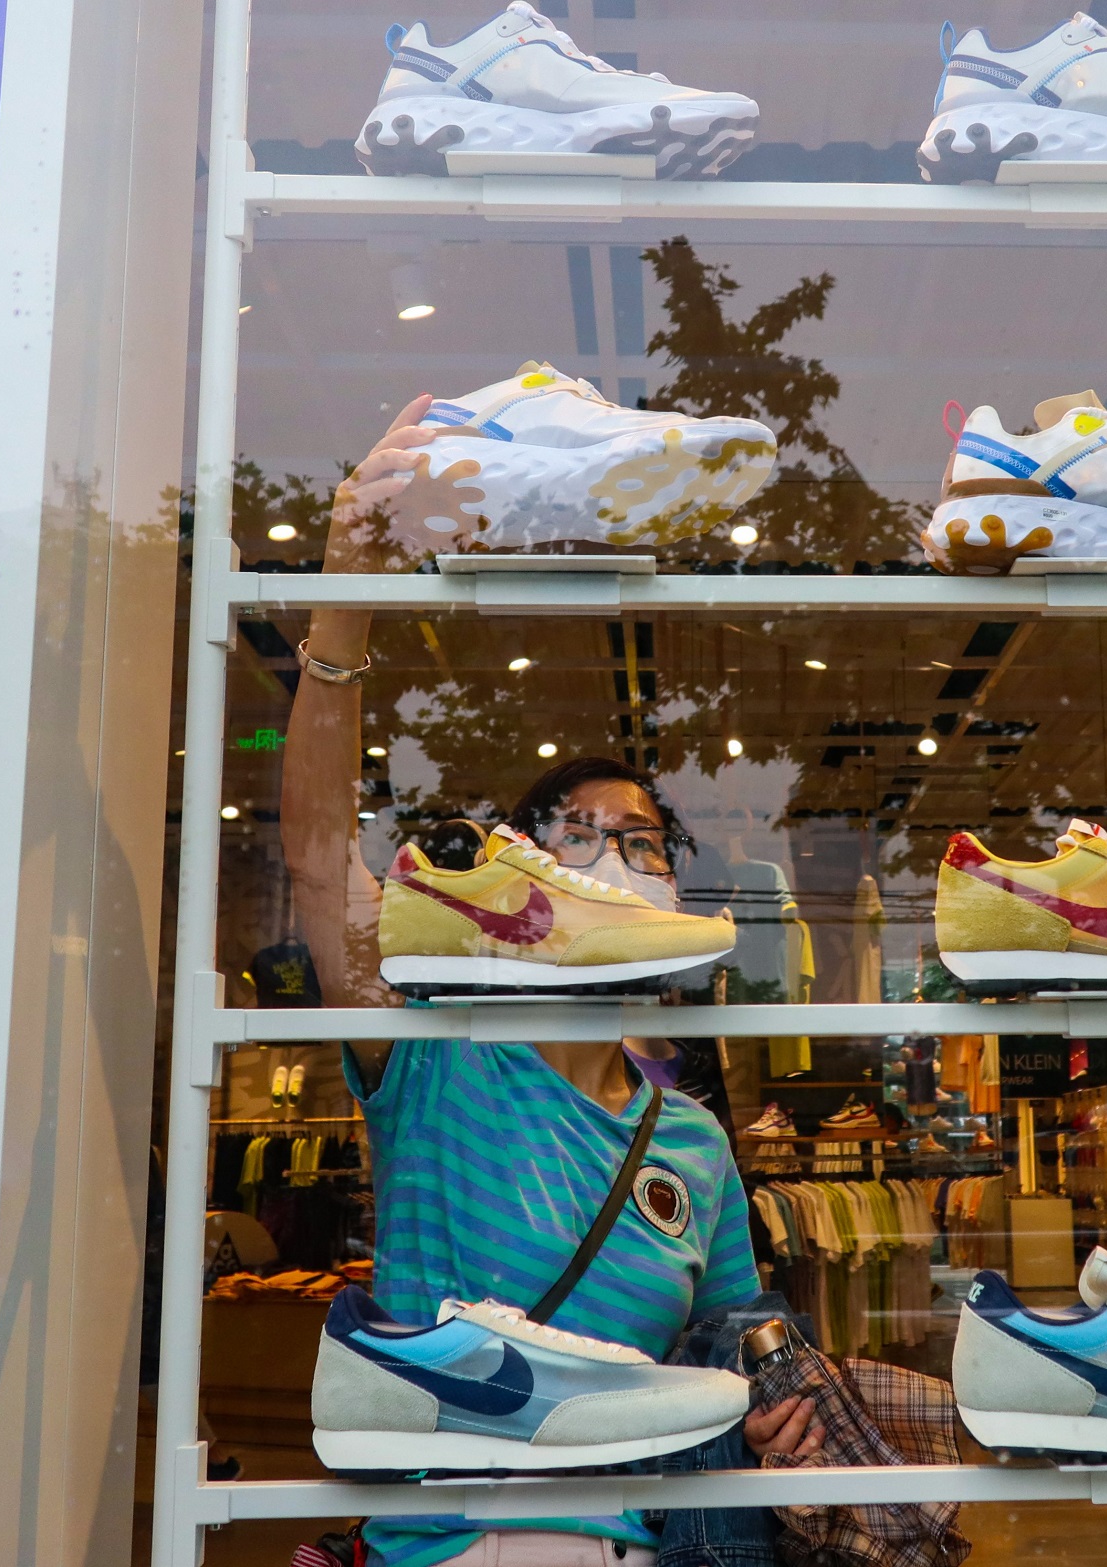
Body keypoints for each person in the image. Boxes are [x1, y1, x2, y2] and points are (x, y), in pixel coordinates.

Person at [279, 396, 819, 1567]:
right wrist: (346, 590)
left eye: (645, 842)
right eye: (579, 836)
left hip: (644, 1547)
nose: (618, 857)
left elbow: (728, 1338)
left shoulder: (692, 1142)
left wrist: (772, 1404)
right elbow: (321, 861)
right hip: (452, 1544)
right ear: (527, 881)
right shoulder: (435, 1058)